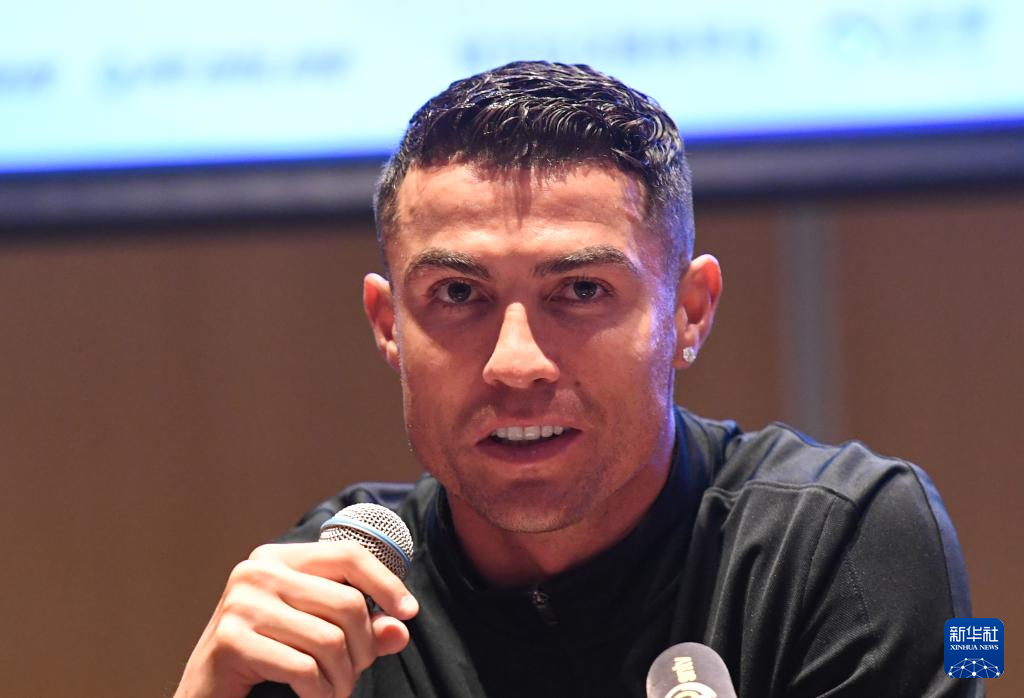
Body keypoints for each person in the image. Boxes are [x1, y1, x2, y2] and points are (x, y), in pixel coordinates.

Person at [174, 61, 980, 698]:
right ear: (389, 326)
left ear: (689, 313)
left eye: (583, 290)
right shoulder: (334, 590)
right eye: (457, 294)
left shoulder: (845, 541)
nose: (516, 362)